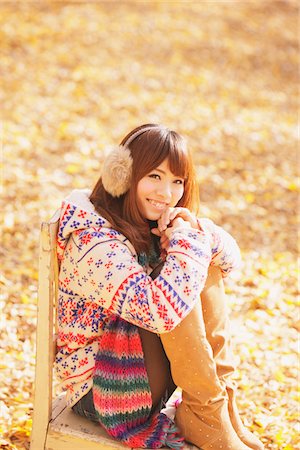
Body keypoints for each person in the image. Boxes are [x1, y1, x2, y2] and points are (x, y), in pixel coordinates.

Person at [55, 124, 264, 450]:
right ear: (122, 174)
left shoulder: (148, 221)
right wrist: (185, 243)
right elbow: (160, 312)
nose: (166, 193)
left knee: (200, 263)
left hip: (140, 369)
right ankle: (207, 417)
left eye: (177, 181)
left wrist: (193, 228)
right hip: (104, 389)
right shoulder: (92, 240)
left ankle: (218, 407)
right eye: (154, 176)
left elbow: (231, 261)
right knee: (182, 268)